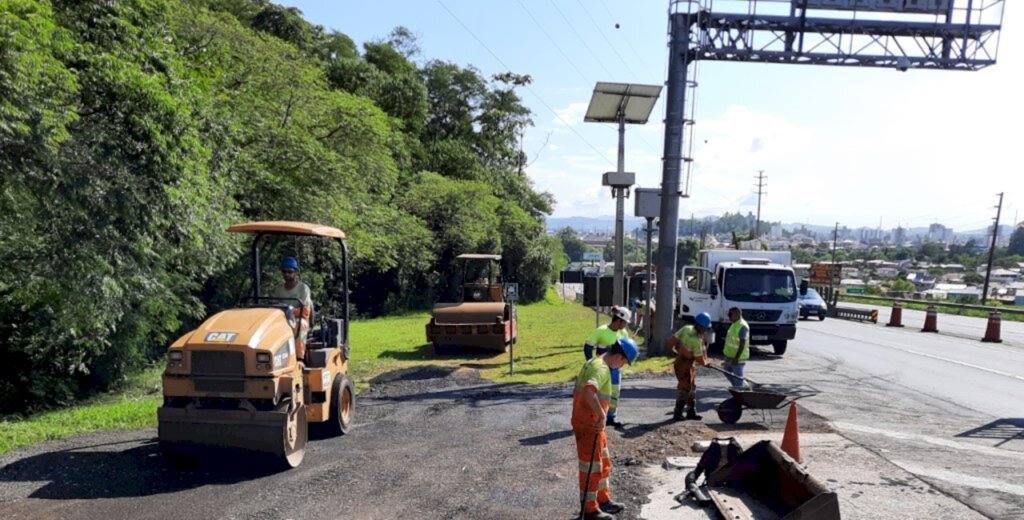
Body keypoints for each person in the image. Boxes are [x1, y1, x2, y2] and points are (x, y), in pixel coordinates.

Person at [572, 337, 638, 520]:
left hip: (592, 424)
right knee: (591, 468)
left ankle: (602, 500)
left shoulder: (595, 361)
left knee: (603, 463)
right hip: (589, 424)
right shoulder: (601, 369)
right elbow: (588, 391)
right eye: (624, 362)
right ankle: (590, 509)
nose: (622, 366)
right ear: (619, 356)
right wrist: (602, 415)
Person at [583, 306, 632, 427]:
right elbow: (588, 347)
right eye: (625, 322)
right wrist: (592, 363)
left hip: (616, 369)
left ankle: (611, 417)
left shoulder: (623, 333)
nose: (625, 325)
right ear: (619, 320)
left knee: (615, 392)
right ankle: (597, 416)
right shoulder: (601, 331)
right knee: (599, 393)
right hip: (602, 369)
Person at [668, 312, 711, 421]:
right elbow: (699, 358)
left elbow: (672, 340)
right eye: (705, 328)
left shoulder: (686, 328)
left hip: (680, 362)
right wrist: (706, 363)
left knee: (691, 387)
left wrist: (673, 350)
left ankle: (691, 412)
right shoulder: (696, 340)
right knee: (685, 387)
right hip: (685, 364)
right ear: (700, 327)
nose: (706, 330)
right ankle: (678, 412)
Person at [272, 257, 313, 359]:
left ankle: (299, 357)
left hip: (298, 319)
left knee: (300, 324)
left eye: (290, 272)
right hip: (281, 318)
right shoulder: (279, 289)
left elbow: (306, 311)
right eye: (284, 272)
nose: (287, 274)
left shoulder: (303, 288)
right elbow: (273, 305)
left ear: (296, 272)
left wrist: (291, 311)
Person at [723, 307, 750, 388]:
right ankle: (740, 387)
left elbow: (742, 342)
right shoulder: (734, 324)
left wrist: (737, 358)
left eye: (730, 315)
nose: (729, 317)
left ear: (737, 314)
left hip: (738, 357)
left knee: (737, 377)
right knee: (726, 371)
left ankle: (740, 391)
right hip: (730, 356)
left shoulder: (742, 326)